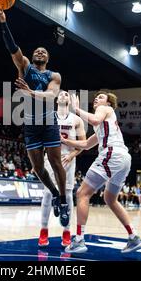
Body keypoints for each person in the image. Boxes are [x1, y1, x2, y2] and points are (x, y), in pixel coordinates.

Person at [0, 7, 69, 227]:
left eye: (44, 52)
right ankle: (55, 193)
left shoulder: (53, 75)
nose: (40, 52)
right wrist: (3, 22)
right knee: (37, 168)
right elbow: (12, 47)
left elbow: (51, 95)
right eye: (37, 50)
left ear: (48, 58)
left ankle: (64, 200)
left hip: (48, 121)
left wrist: (29, 92)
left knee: (55, 162)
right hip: (30, 123)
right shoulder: (25, 66)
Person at [62, 91, 141, 254]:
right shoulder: (103, 125)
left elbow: (94, 118)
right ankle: (134, 237)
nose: (97, 98)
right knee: (109, 198)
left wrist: (76, 109)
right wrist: (65, 141)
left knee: (82, 194)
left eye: (101, 97)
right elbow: (86, 144)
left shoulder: (105, 110)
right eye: (97, 97)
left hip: (112, 154)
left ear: (108, 103)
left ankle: (79, 240)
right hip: (123, 158)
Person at [39, 91, 86, 247]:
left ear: (69, 100)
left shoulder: (77, 120)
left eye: (66, 94)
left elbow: (83, 144)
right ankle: (43, 231)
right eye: (61, 94)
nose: (63, 95)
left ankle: (66, 232)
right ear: (56, 99)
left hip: (68, 160)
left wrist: (72, 155)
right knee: (47, 193)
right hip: (51, 159)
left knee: (67, 194)